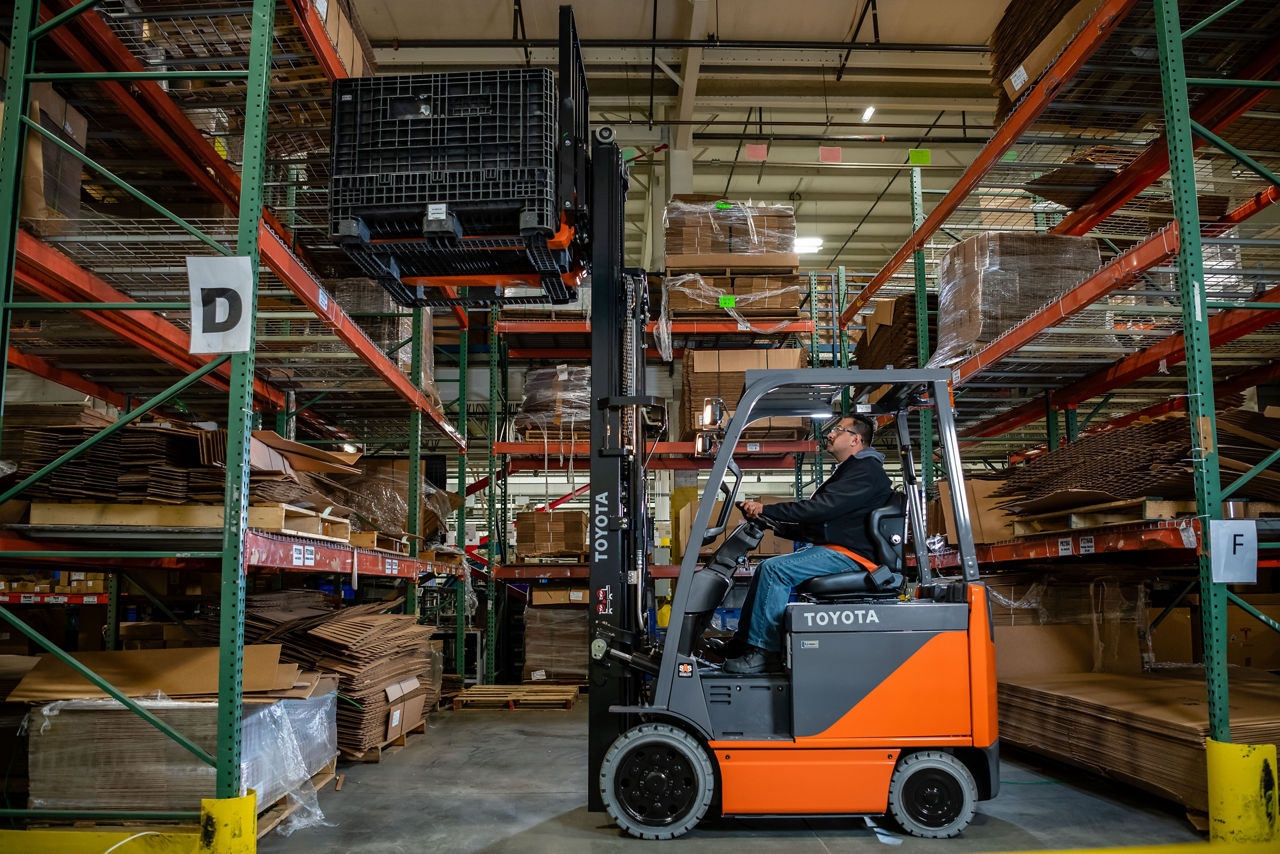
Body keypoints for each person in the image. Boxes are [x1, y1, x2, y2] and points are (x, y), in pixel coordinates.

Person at [722, 414, 892, 674]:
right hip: (838, 548)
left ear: (856, 439)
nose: (830, 434)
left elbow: (820, 509)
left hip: (853, 555)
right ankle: (744, 644)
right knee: (766, 569)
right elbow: (819, 524)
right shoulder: (851, 471)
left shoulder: (865, 471)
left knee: (774, 570)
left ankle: (764, 653)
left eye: (838, 430)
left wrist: (768, 508)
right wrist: (770, 521)